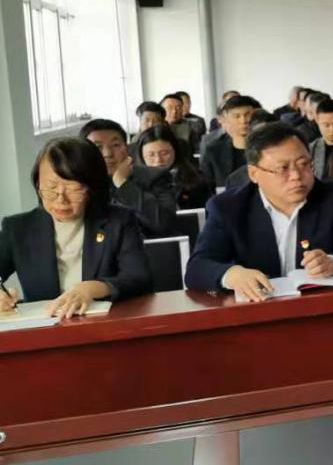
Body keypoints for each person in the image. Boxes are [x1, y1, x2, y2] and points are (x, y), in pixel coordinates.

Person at [185, 123, 333, 301]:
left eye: (304, 164)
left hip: (321, 306)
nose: (296, 176)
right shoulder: (228, 208)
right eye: (282, 169)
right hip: (257, 312)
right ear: (254, 174)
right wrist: (232, 275)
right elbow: (197, 268)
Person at [0, 138, 152, 318]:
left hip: (104, 324)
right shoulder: (18, 228)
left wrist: (94, 288)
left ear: (93, 188)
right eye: (50, 188)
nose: (60, 199)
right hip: (44, 327)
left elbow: (139, 278)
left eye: (73, 189)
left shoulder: (118, 221)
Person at [80, 119, 178, 237]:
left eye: (115, 145)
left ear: (127, 148)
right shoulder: (75, 183)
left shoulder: (155, 177)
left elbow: (164, 224)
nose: (107, 154)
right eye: (98, 146)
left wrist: (123, 184)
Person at [137, 125, 214, 210]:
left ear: (175, 151)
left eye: (164, 153)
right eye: (151, 155)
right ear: (142, 156)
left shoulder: (196, 181)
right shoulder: (134, 184)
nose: (158, 160)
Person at [201, 94, 260, 188]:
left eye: (247, 115)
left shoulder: (270, 148)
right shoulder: (214, 151)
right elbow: (206, 187)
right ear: (227, 120)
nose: (243, 120)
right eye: (237, 116)